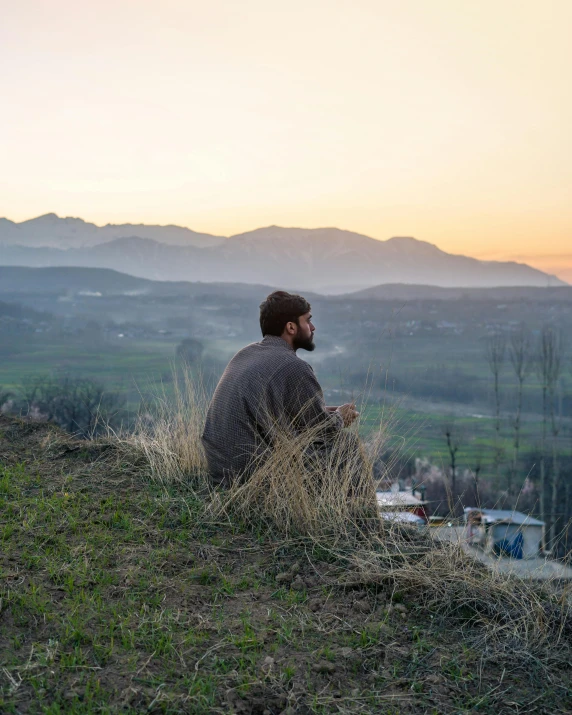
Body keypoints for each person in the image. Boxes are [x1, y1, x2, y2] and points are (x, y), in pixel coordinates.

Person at [201, 290, 362, 485]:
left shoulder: (246, 353)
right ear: (291, 327)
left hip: (220, 471)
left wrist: (330, 411)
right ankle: (358, 515)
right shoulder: (294, 367)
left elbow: (285, 412)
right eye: (307, 321)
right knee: (347, 445)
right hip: (250, 477)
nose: (313, 327)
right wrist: (340, 417)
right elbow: (321, 431)